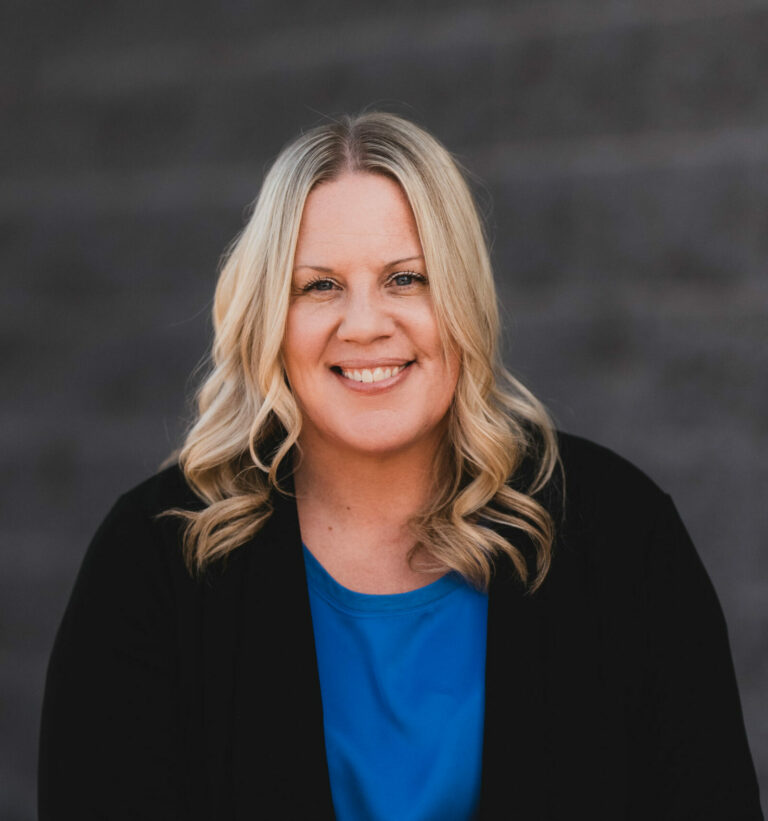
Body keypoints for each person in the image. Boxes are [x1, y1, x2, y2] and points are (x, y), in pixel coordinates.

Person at [38, 112, 762, 820]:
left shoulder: (621, 534)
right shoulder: (155, 558)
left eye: (406, 278)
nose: (365, 323)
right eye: (319, 285)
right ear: (270, 319)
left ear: (463, 299)